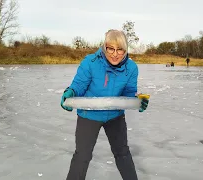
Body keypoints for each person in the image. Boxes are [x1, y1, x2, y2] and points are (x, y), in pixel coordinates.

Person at [60, 29, 149, 180]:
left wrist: (137, 100)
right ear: (104, 47)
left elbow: (128, 92)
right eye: (111, 48)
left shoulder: (131, 68)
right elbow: (79, 85)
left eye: (120, 49)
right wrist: (71, 93)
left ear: (125, 50)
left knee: (123, 153)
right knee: (83, 155)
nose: (115, 54)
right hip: (89, 115)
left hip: (115, 115)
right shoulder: (90, 62)